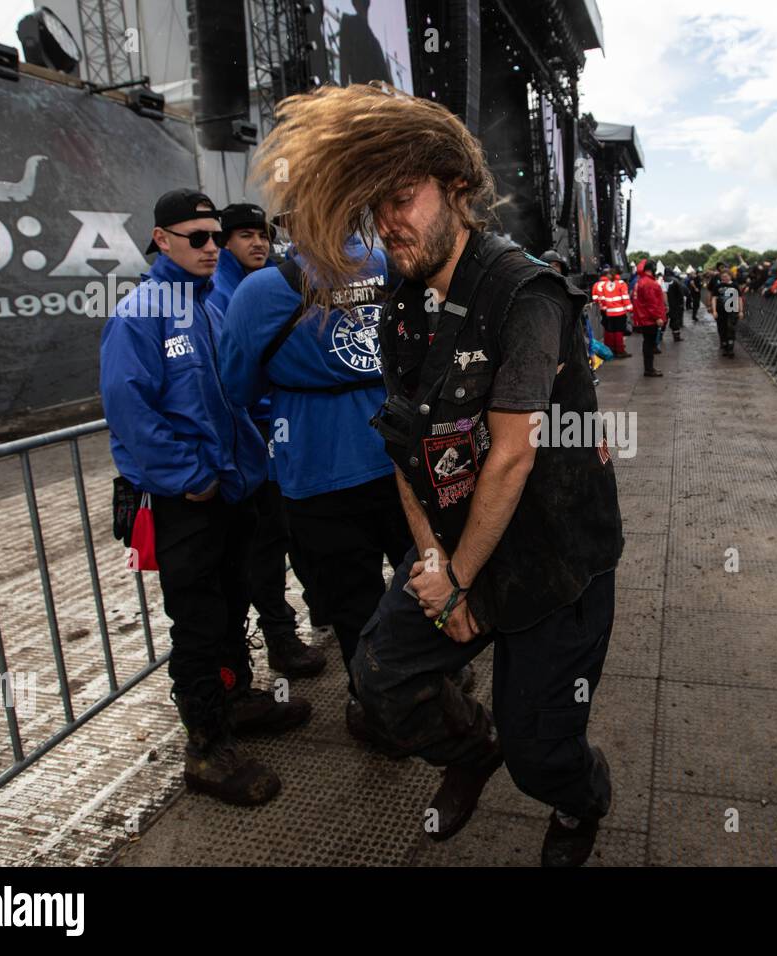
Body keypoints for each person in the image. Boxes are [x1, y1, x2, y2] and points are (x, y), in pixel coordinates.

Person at [253, 83, 623, 867]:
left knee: (542, 749)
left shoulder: (527, 294)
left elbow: (514, 453)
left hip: (552, 560)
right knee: (379, 683)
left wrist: (457, 581)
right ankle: (468, 752)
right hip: (454, 550)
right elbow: (405, 446)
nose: (388, 223)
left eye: (403, 197)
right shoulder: (401, 301)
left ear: (457, 187)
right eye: (374, 209)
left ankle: (576, 802)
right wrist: (431, 565)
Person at [101, 189, 310, 807]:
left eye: (215, 237)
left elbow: (236, 394)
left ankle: (237, 698)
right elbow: (129, 410)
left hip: (230, 492)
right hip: (186, 500)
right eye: (197, 237)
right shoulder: (140, 312)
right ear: (161, 239)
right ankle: (206, 748)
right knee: (196, 622)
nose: (211, 247)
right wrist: (190, 477)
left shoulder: (212, 308)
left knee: (231, 602)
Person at [219, 229, 418, 742]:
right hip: (405, 457)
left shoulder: (262, 290)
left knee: (355, 605)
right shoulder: (395, 264)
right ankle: (431, 685)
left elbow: (238, 385)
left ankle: (377, 713)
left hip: (318, 468)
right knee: (421, 581)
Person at [210, 203, 326, 681]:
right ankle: (275, 638)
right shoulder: (220, 294)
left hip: (271, 434)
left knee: (288, 534)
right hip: (242, 439)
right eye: (243, 235)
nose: (256, 243)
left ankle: (315, 615)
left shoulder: (274, 281)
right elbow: (229, 379)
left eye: (261, 234)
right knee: (259, 546)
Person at [338, 0, 390, 86]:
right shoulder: (349, 23)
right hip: (362, 93)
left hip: (368, 95)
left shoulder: (374, 43)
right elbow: (344, 66)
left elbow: (388, 83)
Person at [631, 258, 666, 375]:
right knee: (649, 344)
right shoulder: (649, 283)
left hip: (644, 318)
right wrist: (658, 317)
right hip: (649, 319)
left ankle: (649, 368)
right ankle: (649, 369)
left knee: (648, 343)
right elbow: (651, 303)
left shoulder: (641, 281)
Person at [591, 264, 633, 359]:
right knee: (619, 331)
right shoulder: (621, 284)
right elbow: (625, 297)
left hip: (609, 312)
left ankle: (611, 349)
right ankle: (620, 351)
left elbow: (603, 299)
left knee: (611, 330)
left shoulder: (606, 285)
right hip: (619, 312)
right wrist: (629, 308)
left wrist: (605, 308)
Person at [709, 262, 742, 356]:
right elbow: (714, 298)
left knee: (731, 328)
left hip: (732, 310)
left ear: (730, 276)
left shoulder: (735, 286)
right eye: (723, 276)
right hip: (721, 311)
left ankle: (731, 348)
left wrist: (741, 311)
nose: (725, 278)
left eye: (726, 276)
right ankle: (724, 346)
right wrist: (714, 310)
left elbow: (739, 298)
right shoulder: (718, 286)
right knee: (722, 328)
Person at [666, 268, 686, 341]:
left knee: (663, 320)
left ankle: (660, 336)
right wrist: (681, 303)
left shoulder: (660, 280)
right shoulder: (675, 281)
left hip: (663, 305)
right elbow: (680, 293)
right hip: (674, 305)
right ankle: (676, 336)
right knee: (675, 320)